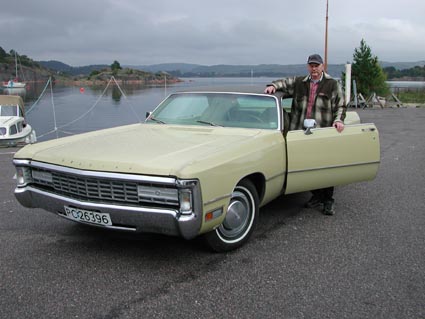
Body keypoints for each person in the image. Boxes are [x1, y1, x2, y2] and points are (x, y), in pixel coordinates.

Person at [264, 53, 346, 215]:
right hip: (301, 133)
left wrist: (339, 121)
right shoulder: (299, 83)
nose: (314, 69)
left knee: (325, 166)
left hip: (322, 132)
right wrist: (273, 85)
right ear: (308, 67)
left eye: (317, 65)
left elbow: (340, 105)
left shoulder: (332, 84)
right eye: (311, 65)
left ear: (322, 66)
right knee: (307, 166)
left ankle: (328, 200)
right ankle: (316, 196)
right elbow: (284, 83)